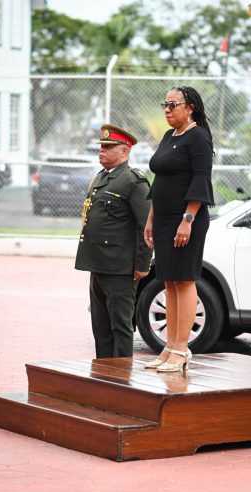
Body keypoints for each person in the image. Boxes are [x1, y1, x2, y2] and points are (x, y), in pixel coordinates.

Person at [144, 86, 214, 372]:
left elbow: (201, 179)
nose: (167, 109)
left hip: (186, 219)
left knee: (184, 280)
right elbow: (159, 180)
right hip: (163, 219)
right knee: (169, 281)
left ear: (190, 108)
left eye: (173, 104)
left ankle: (182, 349)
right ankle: (169, 346)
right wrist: (151, 218)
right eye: (165, 105)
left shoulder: (198, 137)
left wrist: (188, 219)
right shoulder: (169, 136)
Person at [75, 124, 153, 359]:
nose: (102, 151)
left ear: (125, 152)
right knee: (100, 326)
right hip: (97, 264)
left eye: (109, 147)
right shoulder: (101, 178)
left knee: (120, 327)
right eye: (101, 146)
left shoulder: (133, 181)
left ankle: (121, 381)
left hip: (120, 267)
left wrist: (142, 264)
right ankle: (103, 376)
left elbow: (145, 225)